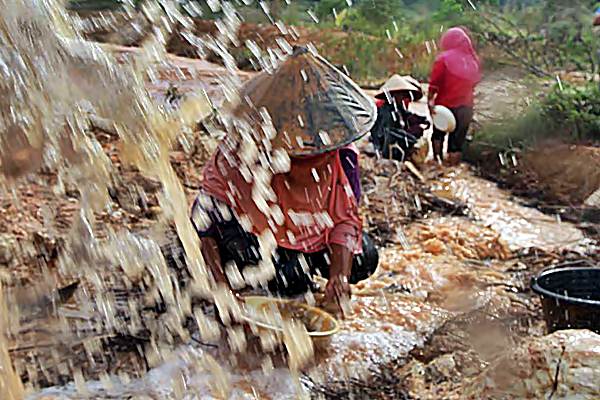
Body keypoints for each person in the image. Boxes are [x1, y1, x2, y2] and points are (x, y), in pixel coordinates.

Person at [191, 47, 379, 314]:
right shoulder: (242, 150)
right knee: (282, 277)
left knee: (364, 257)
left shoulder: (341, 155)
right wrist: (220, 286)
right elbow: (204, 215)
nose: (308, 155)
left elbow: (345, 220)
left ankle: (302, 273)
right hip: (257, 237)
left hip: (311, 238)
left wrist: (339, 276)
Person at [428, 27, 481, 165]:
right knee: (456, 142)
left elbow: (434, 83)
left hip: (445, 106)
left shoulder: (443, 59)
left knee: (438, 135)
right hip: (466, 108)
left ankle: (437, 165)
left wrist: (429, 100)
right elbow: (474, 83)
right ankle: (452, 170)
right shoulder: (474, 61)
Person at [370, 75, 430, 162]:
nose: (403, 97)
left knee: (417, 130)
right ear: (393, 94)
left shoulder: (398, 106)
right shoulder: (386, 111)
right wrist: (409, 136)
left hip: (395, 134)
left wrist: (423, 120)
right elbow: (389, 132)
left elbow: (408, 115)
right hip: (385, 141)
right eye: (401, 94)